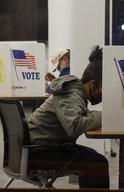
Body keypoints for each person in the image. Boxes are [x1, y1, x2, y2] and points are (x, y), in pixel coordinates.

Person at [27, 46, 109, 189]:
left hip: (43, 146)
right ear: (92, 84)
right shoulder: (72, 94)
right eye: (103, 89)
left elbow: (79, 116)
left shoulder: (75, 92)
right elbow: (75, 126)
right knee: (97, 163)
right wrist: (108, 117)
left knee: (94, 159)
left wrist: (101, 116)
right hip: (39, 152)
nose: (103, 94)